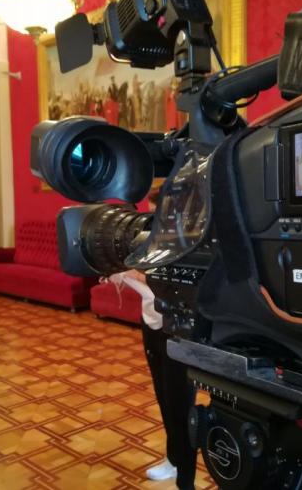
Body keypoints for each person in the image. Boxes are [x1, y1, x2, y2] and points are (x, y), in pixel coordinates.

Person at [109, 191, 197, 489]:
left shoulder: (184, 243)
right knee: (163, 399)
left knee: (180, 405)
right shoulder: (148, 242)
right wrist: (121, 274)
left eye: (156, 215)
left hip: (177, 332)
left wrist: (131, 275)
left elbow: (170, 284)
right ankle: (173, 459)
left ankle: (186, 477)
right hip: (151, 326)